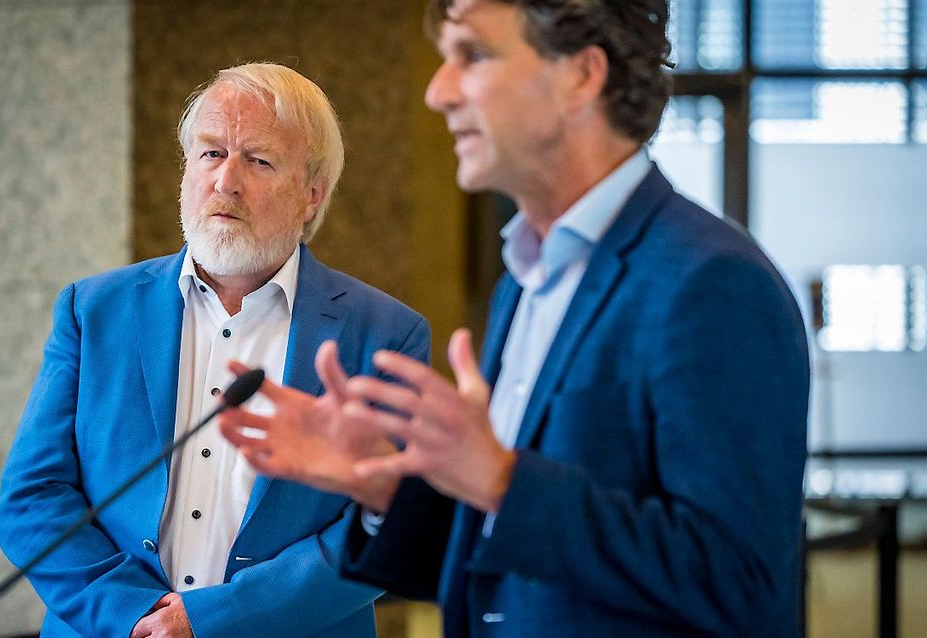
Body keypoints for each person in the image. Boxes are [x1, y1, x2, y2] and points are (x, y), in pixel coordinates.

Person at [218, 1, 810, 636]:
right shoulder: (523, 280)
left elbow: (740, 583)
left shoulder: (711, 282)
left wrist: (501, 479)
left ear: (581, 76)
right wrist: (383, 488)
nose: (438, 92)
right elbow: (506, 563)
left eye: (472, 55)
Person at [0, 63, 430, 638]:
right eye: (210, 154)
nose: (226, 181)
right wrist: (135, 615)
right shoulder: (94, 311)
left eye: (259, 160)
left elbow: (386, 525)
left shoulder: (384, 333)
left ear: (311, 194)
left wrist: (211, 621)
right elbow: (32, 498)